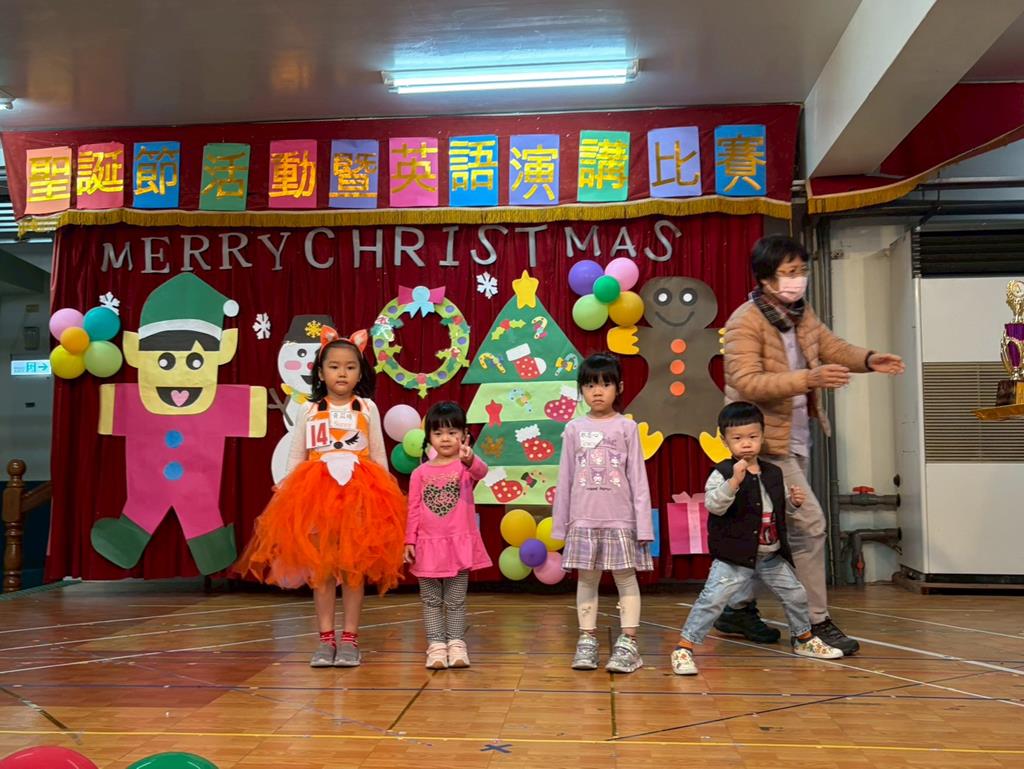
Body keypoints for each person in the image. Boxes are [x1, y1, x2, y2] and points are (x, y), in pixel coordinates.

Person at [718, 235, 904, 655]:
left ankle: (737, 608)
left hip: (795, 436)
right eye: (789, 272)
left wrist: (868, 359)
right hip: (763, 444)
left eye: (801, 271)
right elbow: (746, 382)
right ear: (766, 278)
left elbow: (831, 346)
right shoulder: (744, 321)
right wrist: (808, 378)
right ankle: (814, 623)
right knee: (809, 527)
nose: (798, 279)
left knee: (765, 530)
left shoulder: (801, 314)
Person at [234, 326, 406, 668]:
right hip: (317, 497)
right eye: (334, 366)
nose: (342, 373)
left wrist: (385, 503)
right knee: (323, 570)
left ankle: (350, 640)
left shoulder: (367, 408)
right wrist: (288, 499)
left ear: (360, 373)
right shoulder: (309, 410)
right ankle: (326, 640)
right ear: (321, 372)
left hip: (359, 497)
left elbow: (378, 457)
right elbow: (296, 457)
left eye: (350, 367)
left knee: (353, 570)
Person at [671, 402, 844, 675]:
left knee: (796, 594)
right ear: (724, 440)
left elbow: (777, 508)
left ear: (763, 436)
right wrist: (733, 483)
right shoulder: (722, 472)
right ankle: (684, 647)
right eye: (738, 438)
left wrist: (793, 502)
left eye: (752, 437)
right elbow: (714, 506)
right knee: (712, 600)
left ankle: (803, 638)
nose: (746, 444)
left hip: (770, 554)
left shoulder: (773, 472)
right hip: (734, 557)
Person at [552, 353, 653, 674]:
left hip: (621, 521)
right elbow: (565, 479)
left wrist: (644, 527)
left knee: (626, 578)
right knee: (587, 579)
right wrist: (561, 527)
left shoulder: (627, 427)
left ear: (618, 388)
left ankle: (629, 643)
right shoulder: (573, 429)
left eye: (605, 384)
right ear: (581, 389)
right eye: (590, 385)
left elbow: (638, 479)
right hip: (583, 521)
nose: (597, 391)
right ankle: (587, 639)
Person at [404, 401, 492, 670]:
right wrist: (409, 540)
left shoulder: (465, 468)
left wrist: (470, 459)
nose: (445, 438)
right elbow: (413, 509)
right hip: (427, 546)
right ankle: (436, 646)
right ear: (429, 436)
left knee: (455, 600)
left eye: (452, 432)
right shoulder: (419, 473)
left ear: (464, 435)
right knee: (431, 600)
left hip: (458, 545)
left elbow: (482, 472)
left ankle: (456, 644)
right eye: (438, 432)